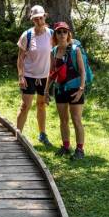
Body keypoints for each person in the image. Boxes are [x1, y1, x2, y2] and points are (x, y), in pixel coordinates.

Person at [45, 21, 86, 160]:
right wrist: (46, 91)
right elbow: (51, 73)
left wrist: (81, 89)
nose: (62, 34)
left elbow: (82, 71)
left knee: (76, 120)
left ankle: (80, 149)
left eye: (64, 31)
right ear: (55, 35)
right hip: (60, 89)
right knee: (63, 120)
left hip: (75, 88)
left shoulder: (75, 50)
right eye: (59, 32)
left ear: (68, 34)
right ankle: (66, 146)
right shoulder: (54, 51)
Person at [16, 5, 53, 147]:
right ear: (32, 20)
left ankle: (42, 134)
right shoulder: (27, 35)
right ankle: (18, 134)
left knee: (41, 105)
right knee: (25, 105)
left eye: (41, 17)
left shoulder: (51, 34)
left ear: (45, 17)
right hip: (29, 75)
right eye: (36, 18)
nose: (39, 20)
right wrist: (21, 76)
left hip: (45, 76)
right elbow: (20, 58)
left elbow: (56, 53)